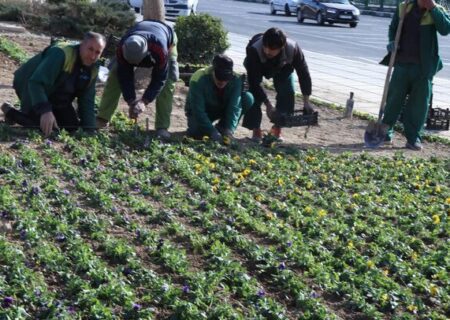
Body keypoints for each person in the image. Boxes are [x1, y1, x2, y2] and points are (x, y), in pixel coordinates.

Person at [1, 32, 106, 136]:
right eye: (90, 49)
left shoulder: (93, 68)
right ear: (82, 45)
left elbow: (87, 100)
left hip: (55, 93)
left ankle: (39, 113)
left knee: (71, 128)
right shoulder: (61, 54)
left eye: (97, 52)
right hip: (28, 84)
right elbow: (36, 83)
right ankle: (10, 112)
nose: (93, 56)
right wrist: (45, 111)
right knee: (45, 128)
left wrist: (90, 130)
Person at [380, 0, 450, 151]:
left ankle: (413, 138)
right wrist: (392, 41)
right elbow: (393, 28)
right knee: (393, 101)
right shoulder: (404, 7)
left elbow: (445, 29)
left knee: (419, 106)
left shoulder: (436, 10)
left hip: (423, 68)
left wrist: (432, 8)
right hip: (401, 65)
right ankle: (385, 132)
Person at [96, 20, 178, 139]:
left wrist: (144, 101)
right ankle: (103, 118)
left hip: (167, 37)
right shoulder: (122, 47)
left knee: (169, 80)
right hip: (143, 31)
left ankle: (162, 127)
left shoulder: (160, 50)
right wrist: (131, 101)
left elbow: (160, 78)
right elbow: (124, 75)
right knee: (115, 75)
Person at [242, 27, 313, 142]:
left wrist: (306, 101)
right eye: (265, 47)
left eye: (272, 49)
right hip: (257, 65)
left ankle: (277, 128)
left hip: (282, 66)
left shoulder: (293, 49)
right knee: (253, 93)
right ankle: (256, 130)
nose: (268, 51)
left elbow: (304, 74)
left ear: (282, 46)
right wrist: (268, 105)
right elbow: (255, 82)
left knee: (288, 91)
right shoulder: (254, 49)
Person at [185, 54, 254, 141]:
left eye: (226, 79)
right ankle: (208, 128)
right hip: (200, 111)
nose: (222, 82)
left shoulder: (237, 79)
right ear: (213, 70)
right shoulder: (198, 78)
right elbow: (198, 110)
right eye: (219, 78)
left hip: (220, 109)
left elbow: (234, 106)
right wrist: (212, 131)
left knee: (248, 98)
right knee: (196, 133)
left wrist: (229, 130)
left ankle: (223, 127)